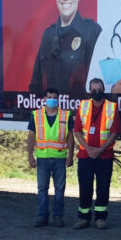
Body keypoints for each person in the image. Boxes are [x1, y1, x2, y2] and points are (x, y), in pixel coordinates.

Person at [29, 0, 102, 96]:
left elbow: (99, 84)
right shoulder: (48, 35)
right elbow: (35, 85)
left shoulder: (92, 31)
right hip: (52, 112)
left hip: (79, 113)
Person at [72, 78, 121, 229]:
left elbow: (115, 133)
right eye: (94, 90)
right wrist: (88, 148)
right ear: (89, 91)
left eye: (99, 89)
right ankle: (83, 217)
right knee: (85, 186)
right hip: (85, 154)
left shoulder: (112, 107)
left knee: (103, 187)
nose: (97, 92)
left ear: (103, 90)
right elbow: (77, 131)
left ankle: (100, 218)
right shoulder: (83, 106)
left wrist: (100, 150)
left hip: (104, 155)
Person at [26, 87, 75, 228]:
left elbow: (70, 137)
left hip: (60, 157)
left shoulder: (66, 115)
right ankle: (42, 216)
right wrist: (30, 156)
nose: (51, 100)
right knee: (42, 188)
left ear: (58, 99)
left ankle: (58, 216)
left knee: (59, 189)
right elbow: (31, 136)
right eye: (49, 97)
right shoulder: (36, 115)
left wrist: (70, 156)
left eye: (54, 97)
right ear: (44, 99)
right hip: (42, 157)